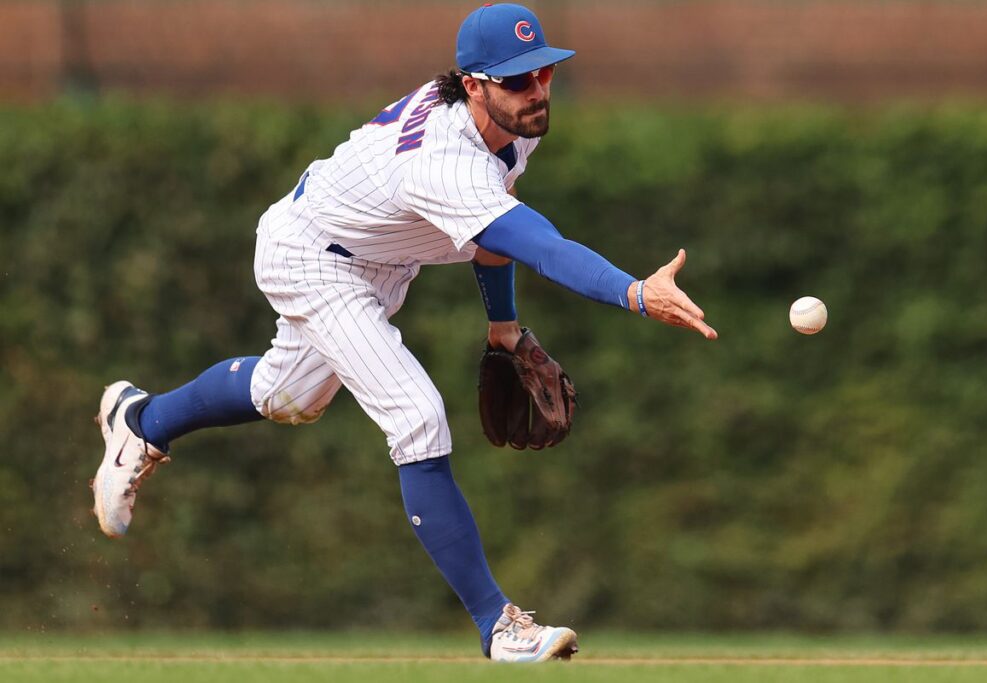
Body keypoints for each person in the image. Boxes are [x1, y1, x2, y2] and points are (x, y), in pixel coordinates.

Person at [90, 3, 717, 663]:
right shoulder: (444, 158)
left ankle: (142, 419)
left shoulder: (510, 124)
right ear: (472, 84)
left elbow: (492, 237)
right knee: (417, 417)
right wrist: (633, 292)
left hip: (372, 260)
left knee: (289, 396)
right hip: (311, 253)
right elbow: (538, 243)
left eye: (543, 73)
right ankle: (498, 625)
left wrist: (503, 329)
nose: (535, 91)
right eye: (516, 80)